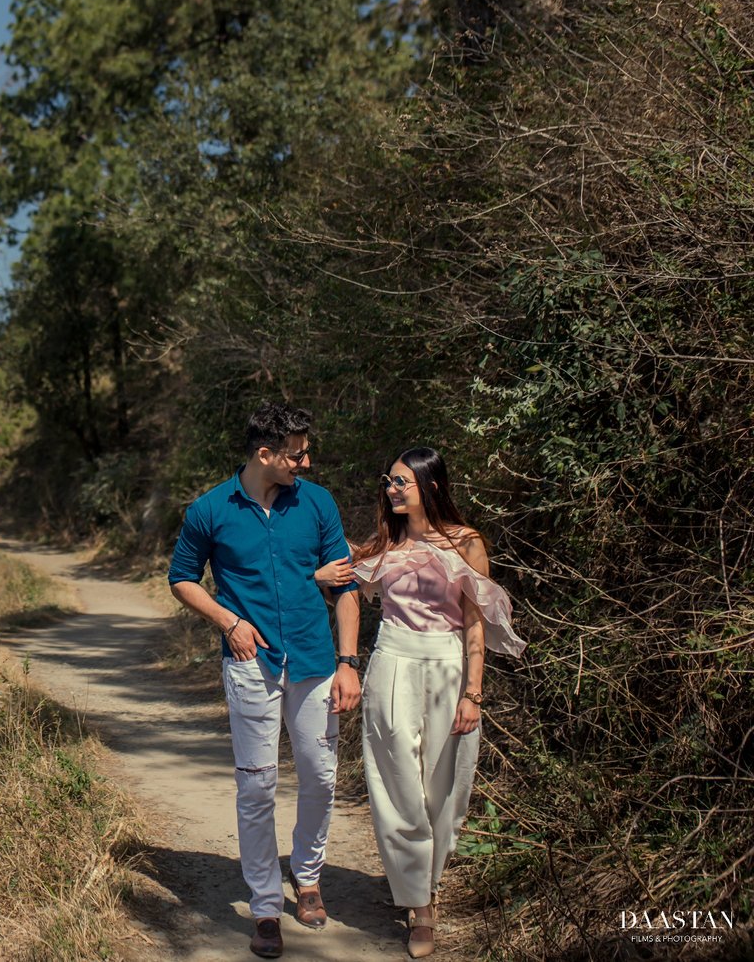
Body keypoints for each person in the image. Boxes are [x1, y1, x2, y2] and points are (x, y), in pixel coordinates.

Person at [168, 403, 363, 959]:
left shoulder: (318, 502)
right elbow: (181, 577)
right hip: (250, 664)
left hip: (314, 660)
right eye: (297, 452)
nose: (306, 459)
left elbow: (344, 585)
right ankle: (263, 905)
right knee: (256, 785)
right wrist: (228, 621)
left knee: (321, 776)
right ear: (265, 455)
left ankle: (307, 876)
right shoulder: (209, 510)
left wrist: (349, 663)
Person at [317, 446, 526, 958]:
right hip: (392, 662)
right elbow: (340, 584)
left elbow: (475, 622)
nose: (392, 489)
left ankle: (427, 883)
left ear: (431, 485)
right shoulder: (381, 545)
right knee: (397, 785)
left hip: (449, 666)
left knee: (445, 787)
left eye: (402, 482)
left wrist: (474, 693)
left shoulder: (467, 542)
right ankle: (420, 906)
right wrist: (320, 578)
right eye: (388, 481)